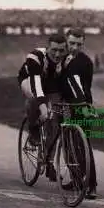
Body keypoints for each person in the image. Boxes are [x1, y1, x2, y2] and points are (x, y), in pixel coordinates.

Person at [17, 33, 87, 182]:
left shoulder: (67, 59)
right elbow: (36, 85)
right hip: (30, 80)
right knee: (33, 98)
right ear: (47, 48)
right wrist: (42, 106)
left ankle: (48, 161)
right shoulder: (36, 57)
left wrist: (82, 103)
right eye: (54, 50)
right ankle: (33, 128)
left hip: (51, 85)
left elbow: (74, 82)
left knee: (54, 120)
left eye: (61, 50)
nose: (57, 54)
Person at [62, 28, 97, 199]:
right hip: (64, 102)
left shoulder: (86, 62)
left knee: (83, 143)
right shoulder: (60, 57)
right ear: (66, 42)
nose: (75, 47)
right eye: (72, 44)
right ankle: (75, 177)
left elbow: (83, 87)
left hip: (81, 103)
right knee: (67, 142)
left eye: (79, 45)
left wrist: (84, 106)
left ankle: (91, 184)